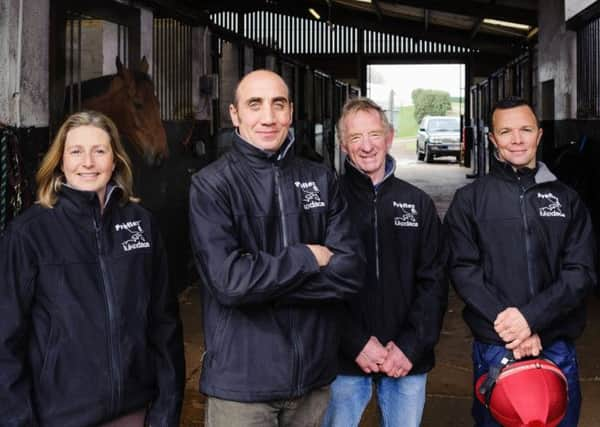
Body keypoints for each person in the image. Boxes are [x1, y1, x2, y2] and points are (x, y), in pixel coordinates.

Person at [189, 69, 364, 427]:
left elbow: (350, 273)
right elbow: (231, 282)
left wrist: (264, 285)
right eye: (255, 105)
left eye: (277, 105)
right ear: (235, 115)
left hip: (311, 382)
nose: (268, 117)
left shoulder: (321, 179)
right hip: (243, 386)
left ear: (291, 112)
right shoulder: (211, 186)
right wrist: (308, 257)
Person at [0, 111, 185, 426]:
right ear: (60, 161)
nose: (88, 162)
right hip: (58, 416)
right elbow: (6, 340)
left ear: (115, 160)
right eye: (76, 151)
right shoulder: (28, 234)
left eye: (99, 151)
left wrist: (165, 412)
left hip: (134, 412)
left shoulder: (141, 224)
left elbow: (164, 326)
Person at [444, 96, 597, 426]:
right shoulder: (470, 200)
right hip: (496, 347)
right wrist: (512, 328)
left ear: (540, 135)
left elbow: (580, 272)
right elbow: (463, 269)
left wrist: (533, 319)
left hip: (554, 344)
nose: (517, 140)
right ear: (492, 138)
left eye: (526, 130)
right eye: (506, 131)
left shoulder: (566, 199)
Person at [322, 97, 448, 427]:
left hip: (406, 361)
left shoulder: (417, 203)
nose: (366, 146)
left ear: (389, 137)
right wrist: (355, 343)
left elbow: (434, 281)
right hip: (345, 360)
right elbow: (318, 284)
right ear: (343, 145)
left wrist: (411, 346)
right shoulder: (328, 203)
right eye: (355, 137)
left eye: (374, 135)